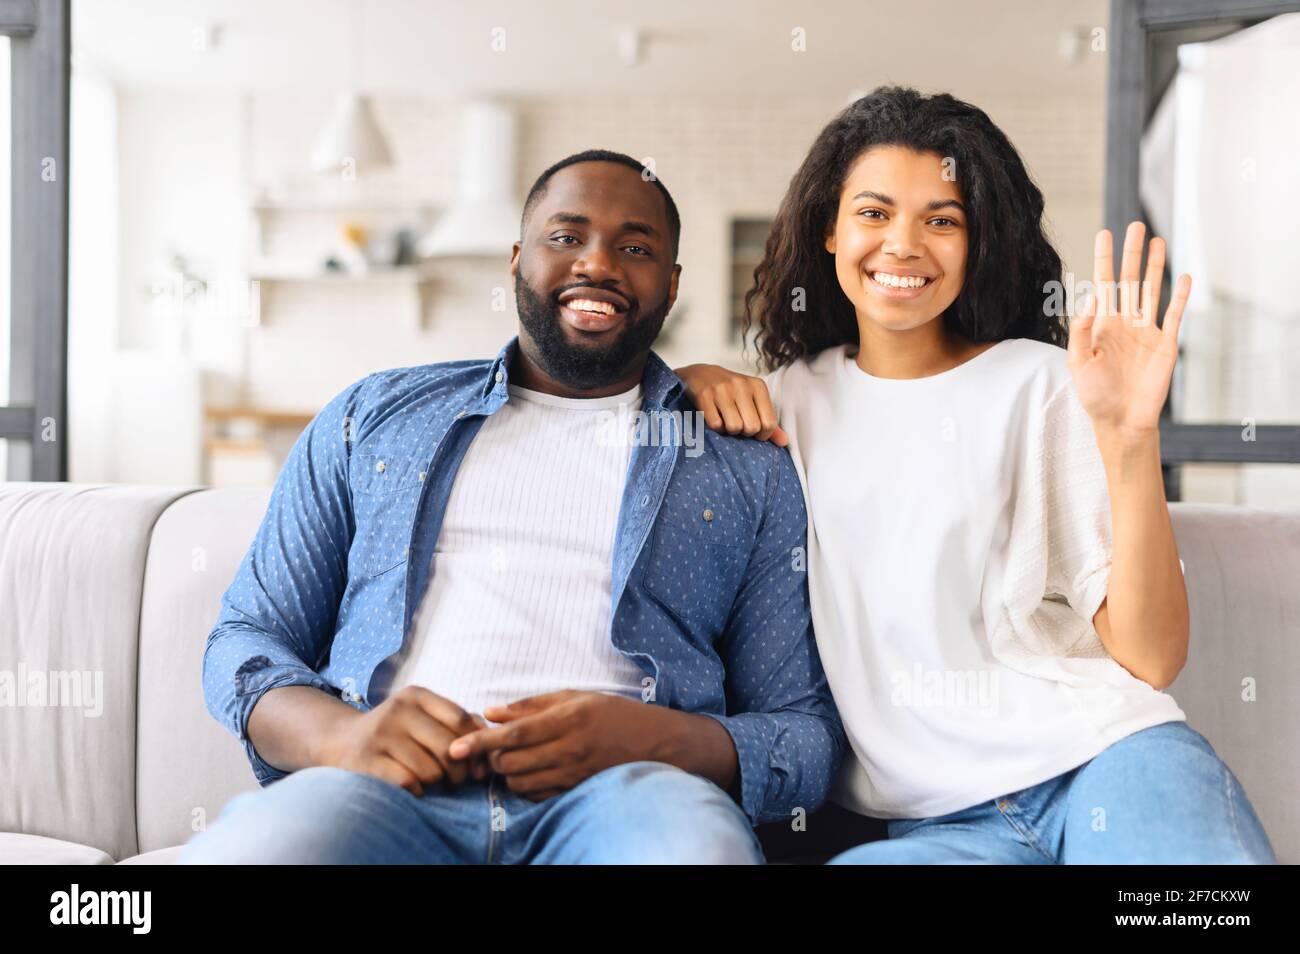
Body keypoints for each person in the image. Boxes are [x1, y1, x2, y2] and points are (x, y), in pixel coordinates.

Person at [182, 149, 845, 865]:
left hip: (636, 799)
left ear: (672, 283)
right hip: (384, 793)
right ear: (516, 260)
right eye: (565, 237)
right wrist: (345, 737)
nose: (598, 264)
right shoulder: (371, 419)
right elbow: (245, 641)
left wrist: (658, 740)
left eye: (636, 247)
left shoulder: (742, 463)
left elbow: (806, 738)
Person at [675, 87, 1276, 864]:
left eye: (942, 220)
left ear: (977, 242)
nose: (903, 244)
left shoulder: (1045, 383)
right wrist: (681, 380)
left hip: (1109, 763)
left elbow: (1150, 658)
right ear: (830, 229)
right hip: (936, 830)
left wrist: (1132, 440)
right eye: (874, 212)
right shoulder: (786, 405)